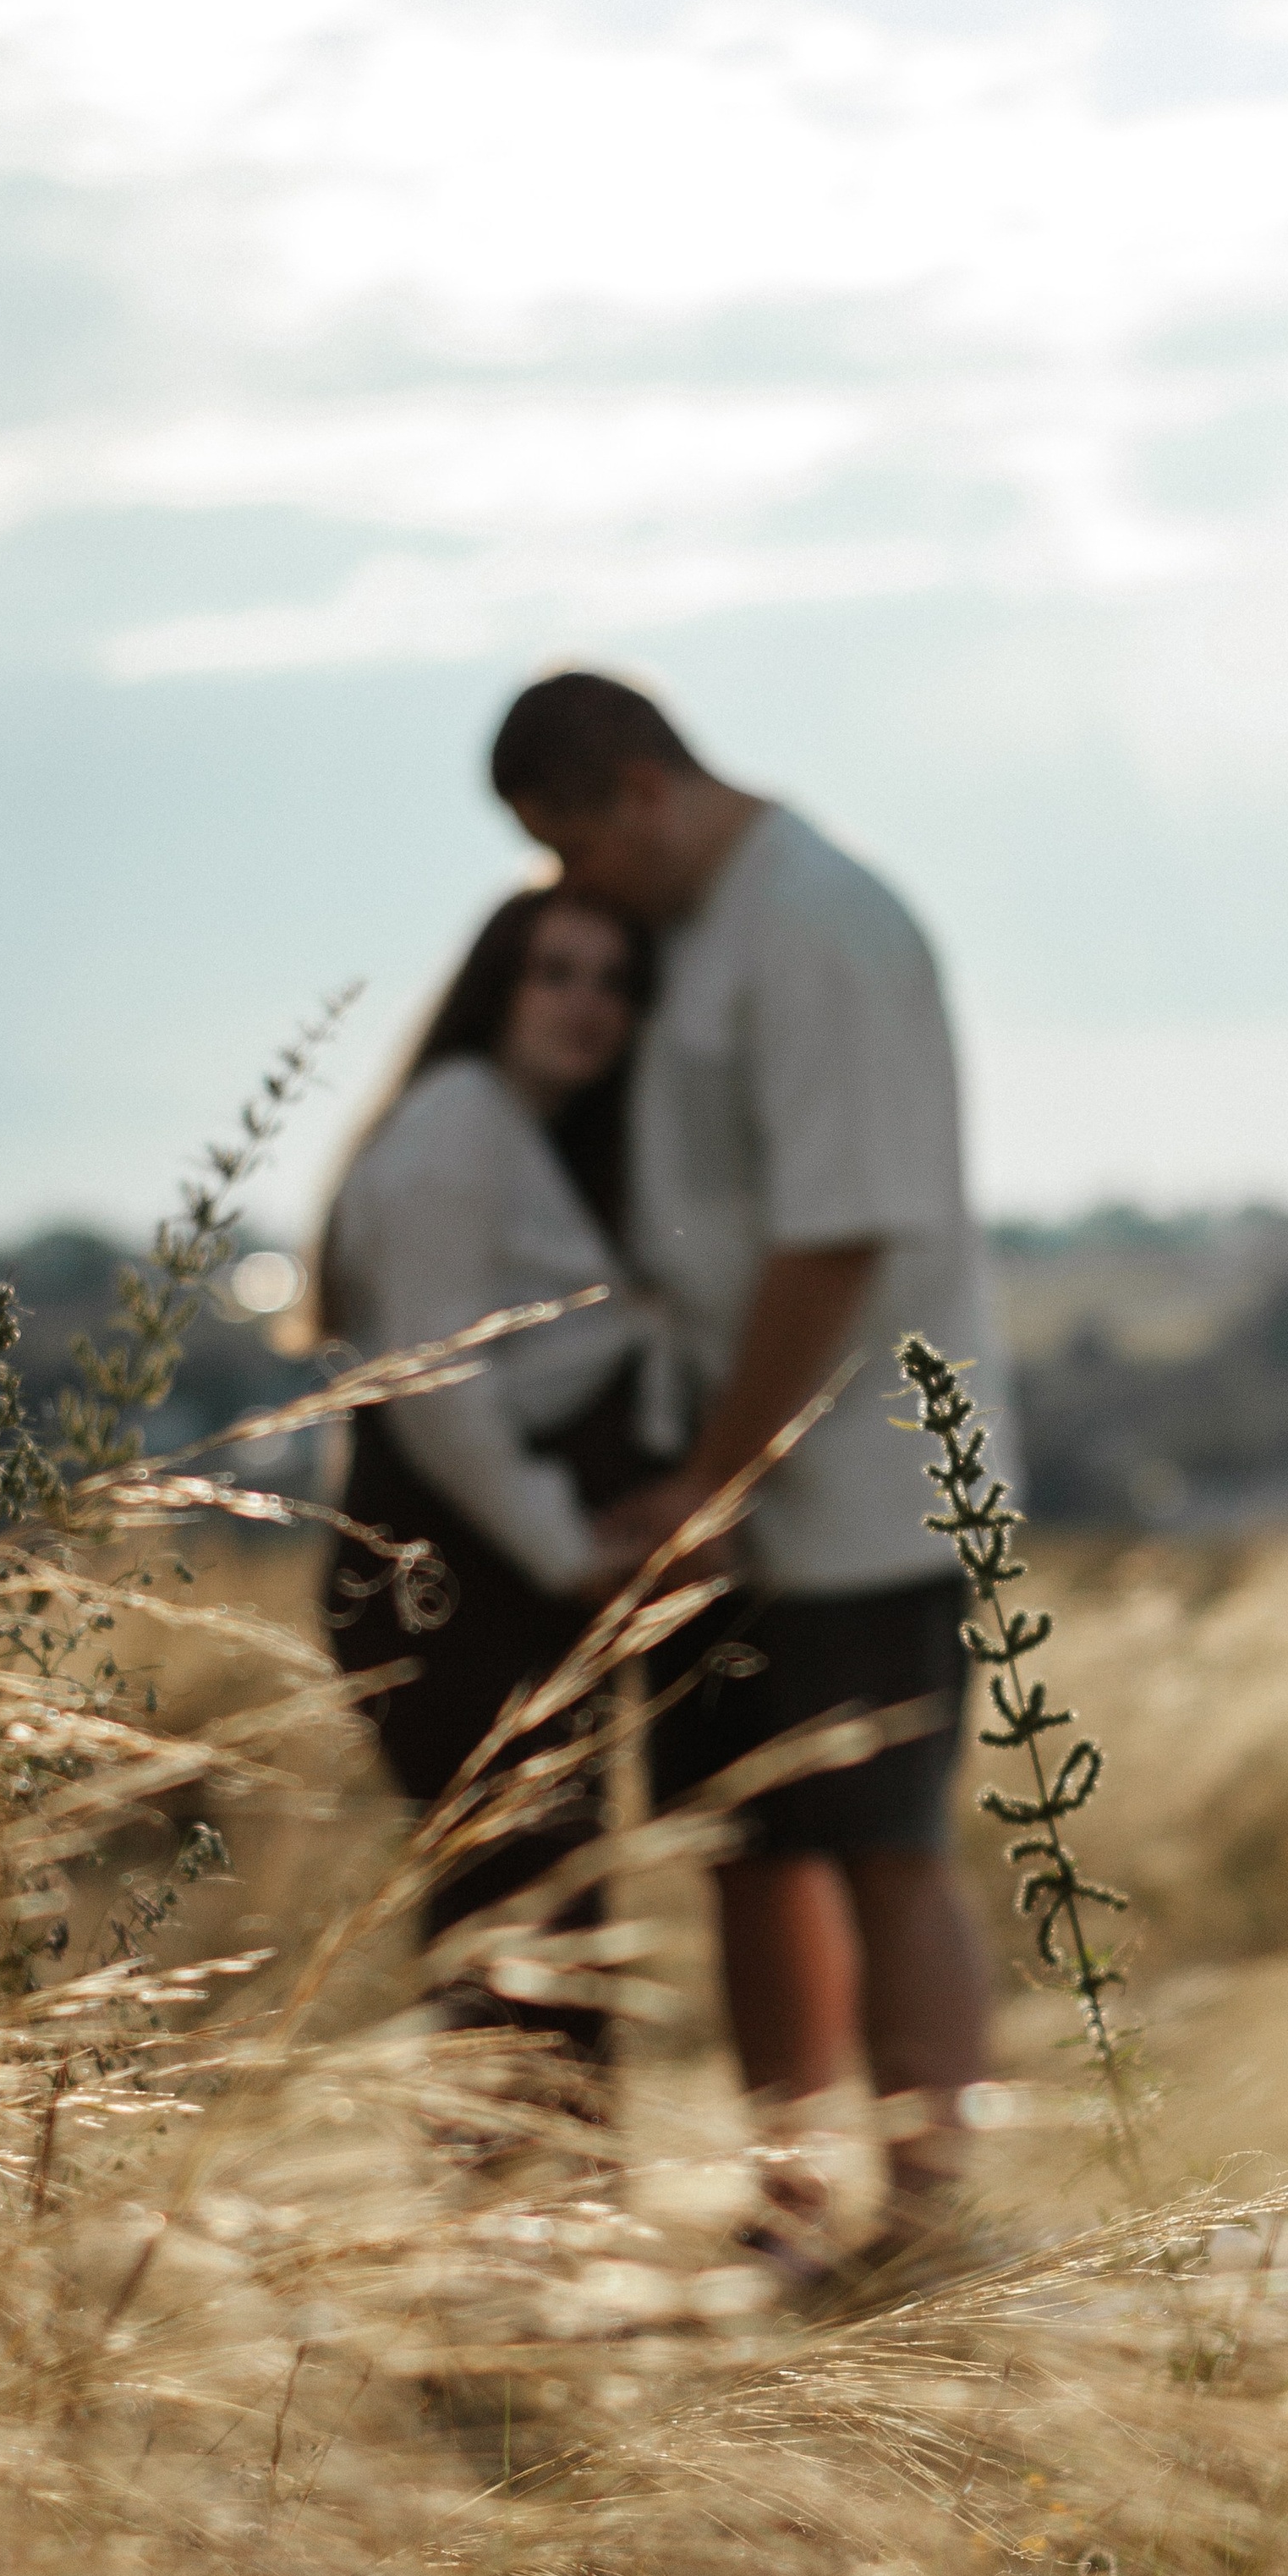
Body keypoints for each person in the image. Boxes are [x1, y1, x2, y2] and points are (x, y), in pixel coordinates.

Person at [487, 667, 1000, 2268]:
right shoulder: (703, 931)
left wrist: (713, 1480)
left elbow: (836, 1238)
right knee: (753, 1845)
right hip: (728, 1489)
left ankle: (922, 2216)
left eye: (566, 844)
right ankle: (791, 2196)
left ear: (638, 789)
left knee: (884, 1845)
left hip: (863, 1490)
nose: (566, 887)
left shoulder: (819, 925)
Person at [317, 883, 677, 2065]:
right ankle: (522, 2216)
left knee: (545, 1895)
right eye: (555, 972)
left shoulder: (516, 1133)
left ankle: (544, 2215)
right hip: (455, 1576)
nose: (588, 1003)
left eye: (614, 981)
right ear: (494, 991)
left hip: (498, 1574)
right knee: (518, 1908)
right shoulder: (460, 1120)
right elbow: (441, 1384)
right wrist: (567, 1548)